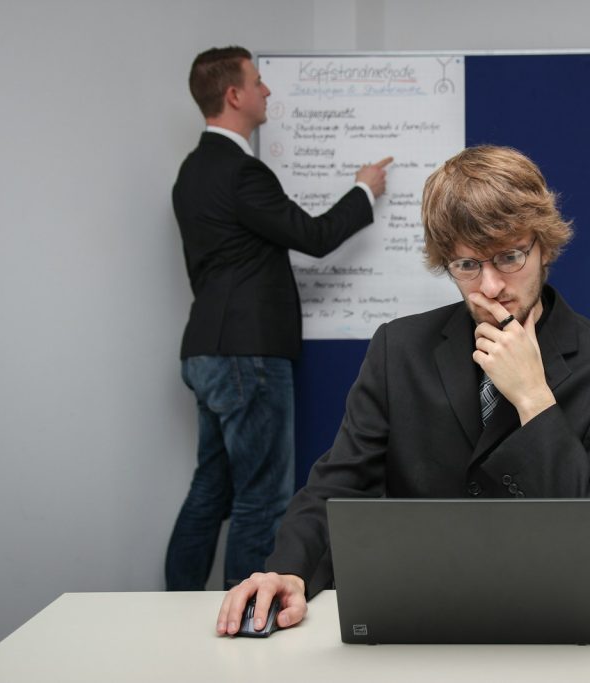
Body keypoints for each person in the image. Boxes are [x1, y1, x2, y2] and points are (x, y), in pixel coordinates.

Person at [215, 145, 590, 635]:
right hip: (415, 618)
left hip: (547, 624)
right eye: (467, 266)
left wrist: (535, 400)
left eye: (509, 256)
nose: (489, 286)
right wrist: (289, 569)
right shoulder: (398, 349)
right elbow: (339, 484)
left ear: (545, 246)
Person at [167, 46, 393, 591]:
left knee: (210, 491)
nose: (267, 91)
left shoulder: (191, 173)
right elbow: (313, 238)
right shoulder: (242, 173)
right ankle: (245, 616)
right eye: (258, 81)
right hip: (248, 356)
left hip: (205, 349)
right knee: (262, 498)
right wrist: (364, 189)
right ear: (233, 95)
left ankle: (173, 609)